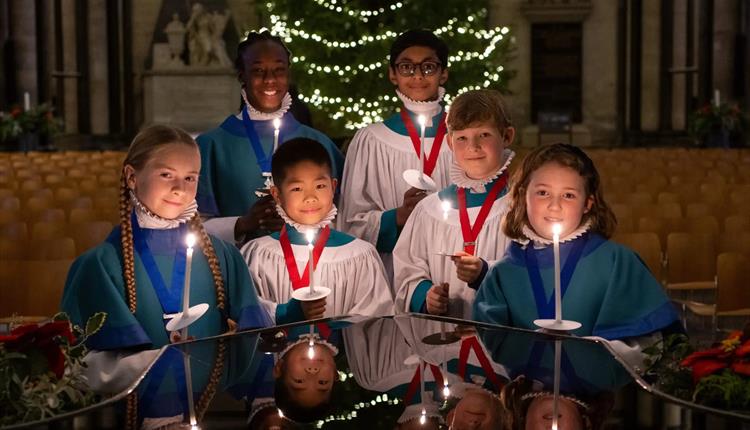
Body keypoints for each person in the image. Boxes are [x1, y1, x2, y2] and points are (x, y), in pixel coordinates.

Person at [60, 125, 271, 352]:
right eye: (166, 175)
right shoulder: (100, 266)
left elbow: (253, 346)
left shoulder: (225, 258)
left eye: (190, 178)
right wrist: (160, 361)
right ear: (132, 177)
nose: (179, 189)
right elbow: (83, 362)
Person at [472, 143, 680, 339]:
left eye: (569, 195)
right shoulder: (504, 272)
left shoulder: (618, 262)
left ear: (587, 203)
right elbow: (491, 342)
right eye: (543, 193)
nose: (555, 206)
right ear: (523, 195)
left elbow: (651, 343)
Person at [197, 31, 344, 245]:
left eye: (279, 70)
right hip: (239, 267)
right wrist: (242, 223)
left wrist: (302, 224)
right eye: (258, 71)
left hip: (309, 266)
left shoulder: (318, 144)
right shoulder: (211, 146)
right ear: (241, 75)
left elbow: (346, 218)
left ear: (288, 74)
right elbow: (192, 227)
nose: (270, 80)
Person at [336, 29, 454, 288]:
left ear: (443, 72)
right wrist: (398, 216)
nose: (418, 76)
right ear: (393, 74)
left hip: (451, 267)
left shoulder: (463, 138)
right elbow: (349, 223)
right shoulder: (371, 140)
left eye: (429, 67)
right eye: (406, 67)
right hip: (390, 272)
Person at [241, 138, 392, 324]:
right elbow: (247, 312)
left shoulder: (360, 254)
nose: (310, 198)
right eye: (297, 189)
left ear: (334, 186)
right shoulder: (257, 254)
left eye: (320, 186)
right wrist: (284, 313)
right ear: (277, 195)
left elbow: (376, 322)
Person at [393, 89, 515, 318]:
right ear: (450, 142)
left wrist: (485, 272)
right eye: (462, 138)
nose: (473, 147)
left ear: (507, 136)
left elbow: (535, 275)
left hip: (499, 341)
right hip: (444, 344)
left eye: (484, 135)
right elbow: (407, 270)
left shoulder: (522, 208)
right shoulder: (429, 210)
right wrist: (426, 296)